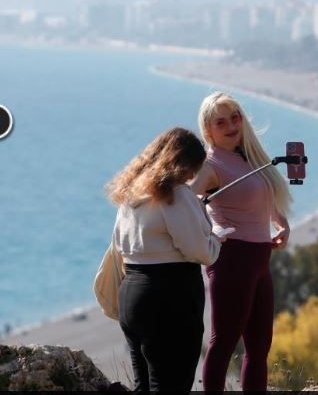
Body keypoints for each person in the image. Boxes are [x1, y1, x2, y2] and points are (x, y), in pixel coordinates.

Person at [106, 127, 221, 392]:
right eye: (194, 168)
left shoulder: (130, 195)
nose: (193, 176)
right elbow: (200, 251)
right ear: (184, 164)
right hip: (171, 299)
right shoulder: (177, 195)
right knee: (172, 386)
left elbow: (119, 244)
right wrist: (216, 239)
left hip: (132, 296)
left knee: (144, 386)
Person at [190, 91, 292, 392]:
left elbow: (264, 194)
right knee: (223, 343)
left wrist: (281, 223)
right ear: (208, 130)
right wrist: (207, 230)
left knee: (259, 347)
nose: (231, 125)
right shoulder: (210, 165)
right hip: (232, 260)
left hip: (260, 260)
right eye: (221, 122)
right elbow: (186, 201)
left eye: (235, 117)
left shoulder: (248, 157)